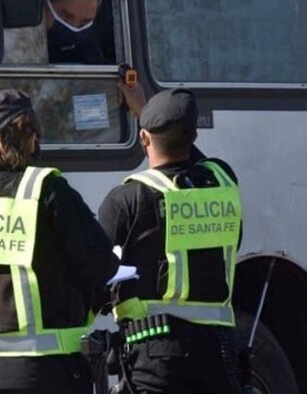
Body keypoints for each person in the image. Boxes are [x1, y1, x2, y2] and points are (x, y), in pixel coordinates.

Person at [0, 89, 120, 394]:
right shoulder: (48, 191)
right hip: (49, 373)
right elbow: (101, 264)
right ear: (24, 138)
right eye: (35, 134)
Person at [98, 88, 244, 393]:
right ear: (193, 136)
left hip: (154, 356)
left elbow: (100, 273)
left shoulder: (127, 199)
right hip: (219, 353)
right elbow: (193, 160)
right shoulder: (223, 182)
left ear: (143, 139)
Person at [45, 0, 104, 64]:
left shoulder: (93, 59)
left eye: (84, 22)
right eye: (66, 17)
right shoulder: (17, 47)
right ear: (46, 4)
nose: (75, 28)